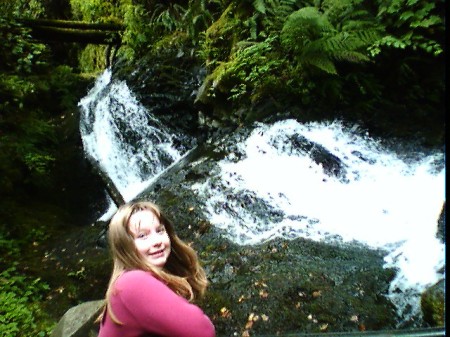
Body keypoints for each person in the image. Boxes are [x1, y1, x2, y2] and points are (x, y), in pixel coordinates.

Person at [97, 200, 215, 337]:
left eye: (160, 231)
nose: (157, 241)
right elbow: (202, 330)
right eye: (142, 236)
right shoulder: (132, 283)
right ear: (124, 247)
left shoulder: (140, 278)